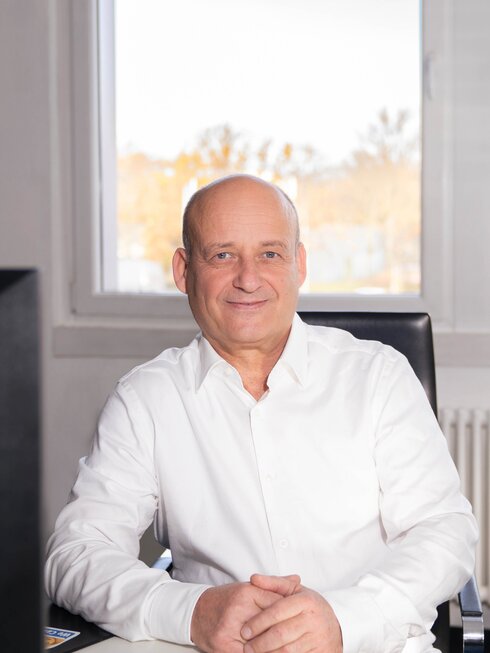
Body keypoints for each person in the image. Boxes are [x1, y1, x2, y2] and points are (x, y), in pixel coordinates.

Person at [45, 175, 478, 653]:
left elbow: (445, 530)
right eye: (222, 255)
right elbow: (76, 553)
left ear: (300, 265)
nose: (248, 279)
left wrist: (346, 618)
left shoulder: (378, 375)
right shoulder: (145, 399)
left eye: (270, 253)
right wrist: (191, 611)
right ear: (184, 271)